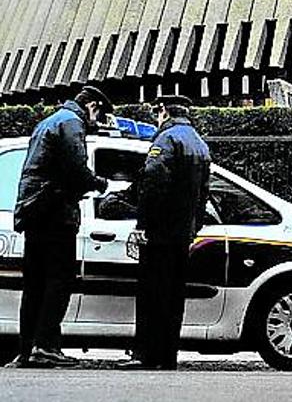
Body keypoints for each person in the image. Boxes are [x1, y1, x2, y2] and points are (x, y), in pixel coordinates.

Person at [10, 85, 111, 368]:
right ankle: (46, 347)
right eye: (98, 114)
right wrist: (103, 185)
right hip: (55, 212)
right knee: (59, 280)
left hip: (34, 211)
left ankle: (28, 349)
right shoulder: (72, 123)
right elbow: (76, 171)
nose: (97, 121)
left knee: (35, 285)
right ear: (92, 106)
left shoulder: (50, 121)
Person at [125, 93, 210, 371]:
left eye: (157, 112)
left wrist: (142, 224)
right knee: (174, 297)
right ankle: (167, 356)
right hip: (183, 235)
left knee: (152, 294)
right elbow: (204, 194)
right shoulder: (199, 143)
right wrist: (193, 228)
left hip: (159, 233)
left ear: (163, 111)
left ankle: (146, 355)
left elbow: (152, 181)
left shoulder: (166, 139)